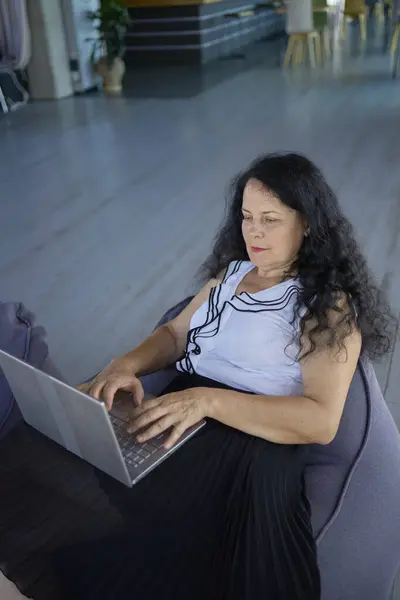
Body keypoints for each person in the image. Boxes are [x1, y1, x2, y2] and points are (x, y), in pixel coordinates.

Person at [72, 153, 392, 600]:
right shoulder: (232, 275)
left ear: (308, 225)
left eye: (270, 219)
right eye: (246, 217)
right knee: (72, 453)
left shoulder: (326, 305)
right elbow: (172, 334)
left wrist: (206, 400)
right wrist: (123, 365)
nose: (254, 232)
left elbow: (320, 421)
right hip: (186, 418)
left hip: (251, 443)